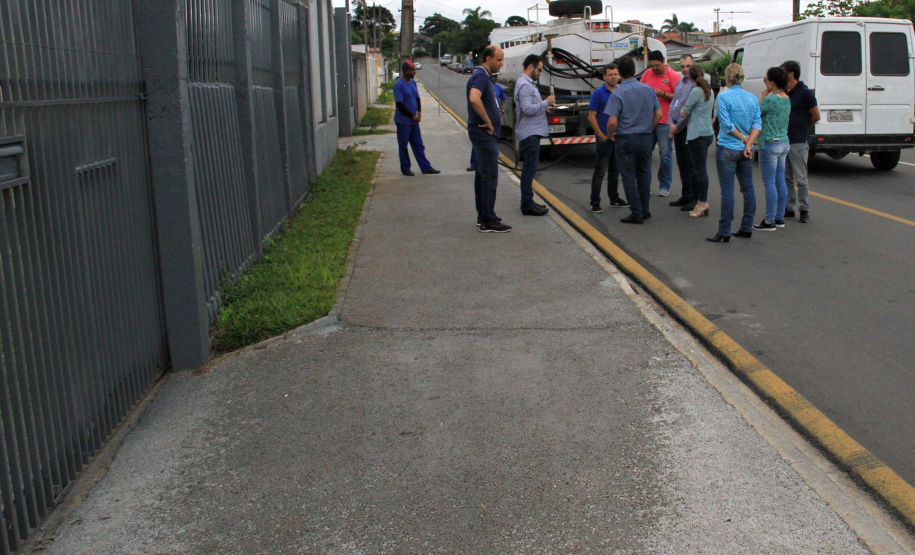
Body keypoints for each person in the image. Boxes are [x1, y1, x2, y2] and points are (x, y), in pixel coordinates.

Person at [707, 63, 761, 243]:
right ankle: (747, 226)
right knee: (748, 188)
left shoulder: (723, 97)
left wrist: (743, 139)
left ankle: (725, 230)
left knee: (727, 190)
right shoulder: (752, 98)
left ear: (728, 78)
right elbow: (757, 124)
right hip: (746, 150)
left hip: (728, 147)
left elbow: (726, 124)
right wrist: (749, 142)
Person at [605, 56, 662, 224]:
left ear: (620, 74)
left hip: (625, 137)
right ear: (635, 71)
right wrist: (648, 128)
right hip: (645, 136)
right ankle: (644, 209)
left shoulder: (618, 93)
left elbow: (612, 121)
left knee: (628, 175)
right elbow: (658, 114)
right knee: (644, 173)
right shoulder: (648, 89)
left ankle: (636, 212)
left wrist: (610, 134)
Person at [467, 46, 509, 232]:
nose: (501, 64)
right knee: (489, 177)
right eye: (499, 60)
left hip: (484, 134)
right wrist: (488, 121)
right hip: (484, 134)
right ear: (488, 58)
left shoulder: (484, 77)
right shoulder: (481, 77)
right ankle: (488, 221)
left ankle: (484, 215)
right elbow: (474, 99)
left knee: (483, 176)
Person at [513, 54, 555, 216]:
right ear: (530, 67)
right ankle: (527, 205)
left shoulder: (528, 84)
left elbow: (532, 106)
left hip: (533, 131)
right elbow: (527, 109)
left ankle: (529, 201)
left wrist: (545, 108)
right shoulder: (525, 85)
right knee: (529, 170)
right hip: (530, 132)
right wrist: (546, 103)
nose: (539, 73)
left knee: (531, 169)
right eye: (538, 69)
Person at [780, 60, 820, 224]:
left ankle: (804, 209)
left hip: (798, 141)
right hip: (785, 140)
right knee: (787, 176)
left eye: (783, 72)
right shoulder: (785, 92)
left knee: (801, 177)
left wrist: (803, 126)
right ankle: (789, 207)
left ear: (791, 73)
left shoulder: (805, 93)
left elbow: (816, 115)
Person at [753, 67, 791, 232]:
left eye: (766, 79)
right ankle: (779, 217)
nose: (765, 82)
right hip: (783, 141)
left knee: (769, 183)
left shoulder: (770, 99)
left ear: (772, 82)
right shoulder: (786, 98)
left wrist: (762, 97)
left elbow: (756, 113)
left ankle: (769, 220)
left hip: (769, 142)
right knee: (780, 180)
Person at [587, 63, 629, 212]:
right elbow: (591, 116)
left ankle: (614, 198)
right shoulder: (598, 93)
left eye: (615, 74)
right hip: (604, 137)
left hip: (617, 138)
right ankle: (595, 201)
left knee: (614, 171)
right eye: (610, 74)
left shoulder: (620, 92)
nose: (613, 77)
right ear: (604, 77)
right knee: (600, 171)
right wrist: (600, 134)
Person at [640, 50, 680, 197]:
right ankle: (645, 184)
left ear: (664, 61)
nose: (655, 68)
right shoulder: (647, 74)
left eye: (657, 65)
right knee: (645, 154)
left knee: (665, 155)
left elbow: (679, 98)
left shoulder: (673, 76)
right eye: (652, 66)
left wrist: (663, 94)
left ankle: (664, 185)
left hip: (665, 122)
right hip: (648, 121)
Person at [393, 60, 440, 177]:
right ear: (405, 71)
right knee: (403, 145)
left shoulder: (413, 83)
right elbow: (400, 104)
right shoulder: (398, 85)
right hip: (403, 121)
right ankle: (405, 168)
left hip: (414, 121)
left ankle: (425, 167)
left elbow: (417, 98)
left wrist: (419, 113)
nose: (414, 72)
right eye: (412, 70)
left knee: (418, 144)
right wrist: (411, 116)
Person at [680, 64, 715, 219]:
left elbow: (684, 112)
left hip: (696, 134)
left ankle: (702, 202)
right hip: (707, 132)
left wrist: (684, 110)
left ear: (691, 77)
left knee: (699, 170)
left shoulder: (695, 91)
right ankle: (702, 201)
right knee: (701, 169)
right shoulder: (710, 91)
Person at [668, 54, 698, 211]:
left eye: (688, 66)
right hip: (677, 128)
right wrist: (670, 123)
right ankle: (686, 195)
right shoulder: (680, 83)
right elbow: (673, 104)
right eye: (682, 67)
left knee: (691, 165)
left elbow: (689, 110)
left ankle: (694, 197)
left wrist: (676, 126)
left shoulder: (695, 85)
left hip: (687, 128)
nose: (685, 70)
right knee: (681, 164)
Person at [467, 73, 506, 172]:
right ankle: (474, 163)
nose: (495, 78)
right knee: (480, 145)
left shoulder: (498, 88)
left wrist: (502, 110)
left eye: (496, 76)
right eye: (493, 76)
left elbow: (504, 99)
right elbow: (475, 99)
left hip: (494, 122)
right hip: (485, 123)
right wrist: (487, 120)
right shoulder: (483, 84)